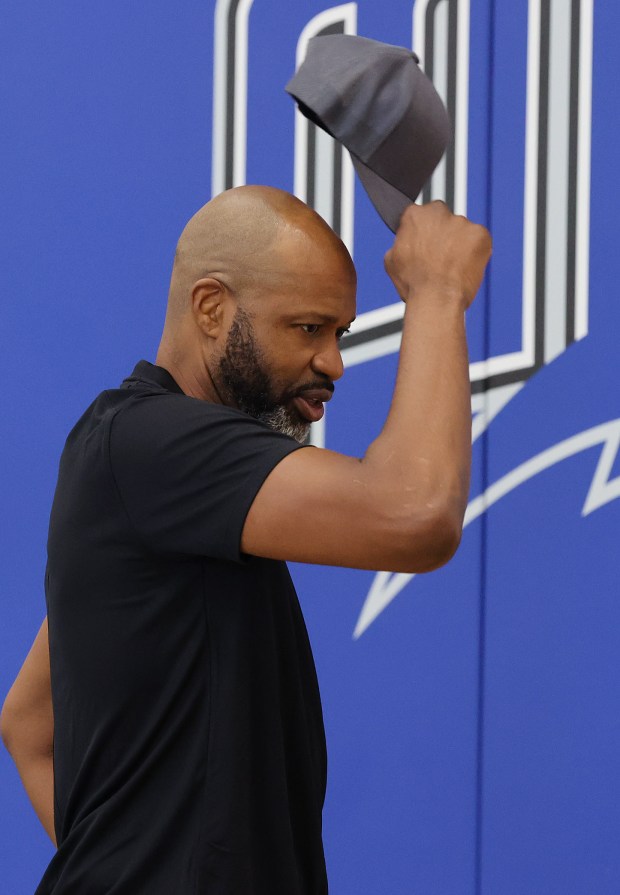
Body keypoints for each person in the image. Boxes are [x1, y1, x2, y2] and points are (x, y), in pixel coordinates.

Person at [1, 185, 491, 894]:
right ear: (210, 308)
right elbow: (414, 513)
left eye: (340, 333)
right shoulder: (149, 444)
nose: (334, 363)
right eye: (307, 328)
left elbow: (27, 722)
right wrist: (438, 291)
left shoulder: (159, 484)